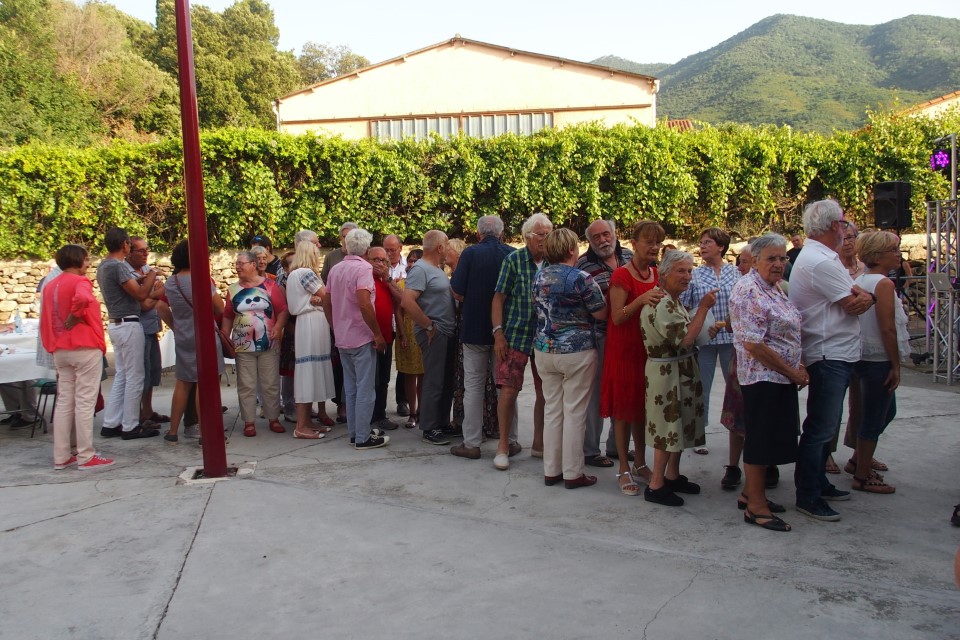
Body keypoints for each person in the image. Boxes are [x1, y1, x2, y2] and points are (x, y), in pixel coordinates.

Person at [789, 199, 874, 522]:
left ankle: (817, 484)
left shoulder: (822, 257)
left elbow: (854, 296)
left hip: (834, 351)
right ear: (832, 226)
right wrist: (869, 296)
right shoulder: (820, 261)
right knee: (821, 426)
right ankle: (808, 494)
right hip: (828, 352)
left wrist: (863, 296)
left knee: (825, 424)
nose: (846, 228)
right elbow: (854, 302)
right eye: (842, 222)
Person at [730, 233, 808, 532]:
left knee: (768, 439)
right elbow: (753, 344)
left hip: (778, 377)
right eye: (771, 258)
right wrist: (792, 371)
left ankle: (751, 494)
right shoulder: (749, 290)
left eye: (782, 258)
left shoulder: (772, 286)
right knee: (760, 441)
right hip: (762, 377)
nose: (778, 264)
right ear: (755, 260)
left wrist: (795, 365)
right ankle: (756, 508)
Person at [532, 228, 607, 488]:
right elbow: (600, 313)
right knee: (575, 412)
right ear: (571, 249)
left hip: (544, 349)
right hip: (577, 351)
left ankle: (551, 470)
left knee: (553, 410)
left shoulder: (539, 276)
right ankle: (573, 473)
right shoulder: (581, 278)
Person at [640, 250, 716, 507]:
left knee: (678, 425)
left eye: (690, 271)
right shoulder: (662, 303)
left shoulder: (671, 300)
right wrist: (703, 309)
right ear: (664, 274)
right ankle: (656, 485)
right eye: (681, 271)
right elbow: (684, 340)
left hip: (678, 371)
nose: (687, 276)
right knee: (667, 429)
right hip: (667, 375)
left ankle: (672, 476)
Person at [599, 220, 664, 495]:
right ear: (634, 244)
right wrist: (641, 300)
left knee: (642, 410)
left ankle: (640, 462)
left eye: (658, 242)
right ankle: (623, 467)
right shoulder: (621, 276)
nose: (655, 247)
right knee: (623, 412)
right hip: (623, 352)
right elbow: (616, 316)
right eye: (649, 242)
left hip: (646, 352)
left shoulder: (656, 273)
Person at [40, 244, 114, 470]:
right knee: (84, 402)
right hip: (84, 346)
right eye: (86, 259)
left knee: (64, 402)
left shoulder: (50, 285)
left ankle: (62, 455)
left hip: (60, 347)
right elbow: (81, 299)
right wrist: (75, 315)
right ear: (78, 260)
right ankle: (86, 455)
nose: (88, 263)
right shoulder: (80, 282)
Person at [849, 230, 911, 493]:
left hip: (862, 355)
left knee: (884, 411)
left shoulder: (862, 279)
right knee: (874, 416)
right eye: (893, 251)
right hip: (877, 358)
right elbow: (887, 327)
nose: (898, 255)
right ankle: (862, 475)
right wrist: (895, 365)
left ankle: (858, 459)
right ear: (877, 256)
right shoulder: (883, 284)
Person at [491, 212, 553, 470]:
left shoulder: (553, 261)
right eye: (540, 234)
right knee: (508, 390)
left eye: (548, 234)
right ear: (528, 236)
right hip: (515, 335)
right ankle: (503, 445)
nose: (545, 239)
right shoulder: (513, 260)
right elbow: (498, 298)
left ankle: (539, 443)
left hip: (545, 337)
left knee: (545, 392)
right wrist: (498, 333)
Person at [449, 216, 514, 460]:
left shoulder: (470, 253)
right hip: (505, 331)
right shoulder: (512, 254)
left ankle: (472, 443)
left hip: (474, 329)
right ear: (501, 233)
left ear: (478, 234)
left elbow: (456, 289)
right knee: (506, 387)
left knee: (473, 387)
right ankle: (511, 440)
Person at [575, 219, 632, 468]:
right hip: (598, 336)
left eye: (606, 234)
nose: (603, 240)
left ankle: (616, 447)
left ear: (614, 234)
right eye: (596, 237)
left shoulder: (629, 257)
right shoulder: (583, 265)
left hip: (629, 335)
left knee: (625, 391)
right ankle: (590, 450)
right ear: (589, 241)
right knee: (596, 394)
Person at [97, 227, 163, 440]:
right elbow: (140, 295)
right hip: (128, 323)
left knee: (122, 375)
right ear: (124, 245)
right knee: (135, 376)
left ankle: (112, 422)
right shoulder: (118, 266)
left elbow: (129, 287)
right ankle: (131, 425)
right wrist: (152, 274)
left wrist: (143, 279)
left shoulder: (104, 265)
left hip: (117, 324)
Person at [327, 228, 390, 449]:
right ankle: (362, 436)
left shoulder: (336, 268)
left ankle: (356, 432)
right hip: (361, 336)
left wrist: (334, 325)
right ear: (366, 249)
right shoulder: (364, 268)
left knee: (351, 387)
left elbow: (326, 300)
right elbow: (364, 303)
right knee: (365, 388)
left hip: (343, 336)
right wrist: (377, 333)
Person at [681, 228, 739, 458]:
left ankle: (739, 431)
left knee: (735, 389)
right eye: (701, 242)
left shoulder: (735, 273)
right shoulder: (695, 275)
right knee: (701, 388)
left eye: (708, 242)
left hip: (730, 339)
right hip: (704, 340)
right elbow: (685, 305)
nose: (703, 246)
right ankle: (699, 435)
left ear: (721, 247)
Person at [162, 240, 226, 443]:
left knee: (183, 383)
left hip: (183, 336)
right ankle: (205, 431)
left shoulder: (171, 282)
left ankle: (172, 431)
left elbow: (159, 306)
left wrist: (176, 325)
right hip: (205, 335)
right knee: (204, 384)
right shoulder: (201, 280)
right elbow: (220, 308)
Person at [222, 250, 289, 438]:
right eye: (236, 264)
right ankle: (249, 422)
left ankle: (273, 418)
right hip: (243, 345)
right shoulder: (233, 290)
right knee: (246, 384)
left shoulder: (270, 286)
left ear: (253, 265)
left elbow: (283, 310)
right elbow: (228, 315)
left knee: (271, 383)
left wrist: (278, 327)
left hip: (269, 343)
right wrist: (225, 335)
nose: (237, 267)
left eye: (241, 263)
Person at [401, 230, 456, 446]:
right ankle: (430, 426)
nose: (449, 248)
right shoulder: (420, 269)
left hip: (444, 331)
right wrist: (429, 326)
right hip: (435, 332)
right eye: (447, 244)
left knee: (445, 380)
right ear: (440, 248)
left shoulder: (436, 269)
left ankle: (441, 422)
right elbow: (407, 301)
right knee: (434, 380)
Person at [284, 240, 336, 439]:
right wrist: (320, 299)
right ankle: (301, 426)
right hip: (311, 325)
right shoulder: (306, 273)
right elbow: (328, 296)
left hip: (307, 323)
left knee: (310, 371)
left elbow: (320, 297)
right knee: (308, 372)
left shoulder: (293, 274)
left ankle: (306, 422)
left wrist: (318, 299)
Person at [126, 236, 169, 430]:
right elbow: (143, 304)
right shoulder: (126, 273)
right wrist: (156, 293)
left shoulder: (145, 270)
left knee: (152, 370)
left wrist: (152, 294)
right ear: (129, 252)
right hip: (138, 328)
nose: (146, 253)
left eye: (147, 249)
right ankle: (137, 416)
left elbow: (151, 297)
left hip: (151, 327)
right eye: (141, 250)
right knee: (140, 373)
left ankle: (148, 411)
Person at [322, 221, 359, 424]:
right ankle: (341, 404)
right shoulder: (332, 257)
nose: (348, 240)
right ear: (340, 238)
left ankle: (353, 405)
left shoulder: (363, 256)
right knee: (339, 365)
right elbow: (324, 287)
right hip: (338, 319)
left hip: (357, 321)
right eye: (345, 236)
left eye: (351, 236)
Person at [367, 245, 403, 432]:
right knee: (370, 381)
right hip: (369, 337)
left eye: (383, 260)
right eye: (376, 260)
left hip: (387, 336)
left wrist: (388, 279)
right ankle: (369, 417)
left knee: (383, 379)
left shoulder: (386, 280)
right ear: (367, 260)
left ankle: (380, 415)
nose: (380, 264)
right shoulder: (364, 278)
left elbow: (402, 299)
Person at [395, 249, 424, 428]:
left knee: (423, 374)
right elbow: (398, 311)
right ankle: (412, 412)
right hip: (407, 331)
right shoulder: (401, 285)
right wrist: (402, 334)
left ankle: (422, 410)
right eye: (410, 261)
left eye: (415, 261)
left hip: (423, 331)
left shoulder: (427, 283)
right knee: (409, 374)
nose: (411, 264)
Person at [383, 234, 409, 416]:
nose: (389, 253)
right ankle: (380, 406)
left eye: (392, 250)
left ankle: (403, 401)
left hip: (403, 322)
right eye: (386, 249)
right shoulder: (378, 266)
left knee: (404, 365)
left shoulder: (410, 267)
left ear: (400, 248)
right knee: (383, 365)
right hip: (385, 321)